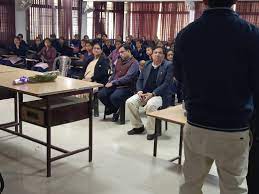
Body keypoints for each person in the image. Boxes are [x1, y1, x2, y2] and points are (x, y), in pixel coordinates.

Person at [173, 0, 259, 193]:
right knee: (233, 187)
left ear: (203, 1)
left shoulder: (186, 34)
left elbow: (178, 75)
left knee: (190, 184)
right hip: (234, 127)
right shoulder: (252, 34)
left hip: (196, 124)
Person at [126, 46, 173, 140]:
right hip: (144, 93)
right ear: (151, 55)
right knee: (130, 102)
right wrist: (139, 91)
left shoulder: (168, 65)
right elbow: (140, 79)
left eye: (160, 53)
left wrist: (152, 94)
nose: (157, 54)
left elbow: (166, 84)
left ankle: (152, 131)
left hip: (159, 95)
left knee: (151, 105)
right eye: (155, 52)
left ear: (163, 56)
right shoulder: (147, 64)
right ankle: (138, 127)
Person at [98, 44, 139, 122]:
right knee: (101, 94)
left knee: (114, 97)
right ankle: (114, 109)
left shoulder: (134, 63)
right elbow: (114, 73)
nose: (120, 54)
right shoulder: (119, 60)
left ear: (128, 51)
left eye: (122, 52)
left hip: (127, 87)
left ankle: (115, 109)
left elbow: (128, 78)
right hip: (115, 84)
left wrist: (113, 82)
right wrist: (109, 82)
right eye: (119, 52)